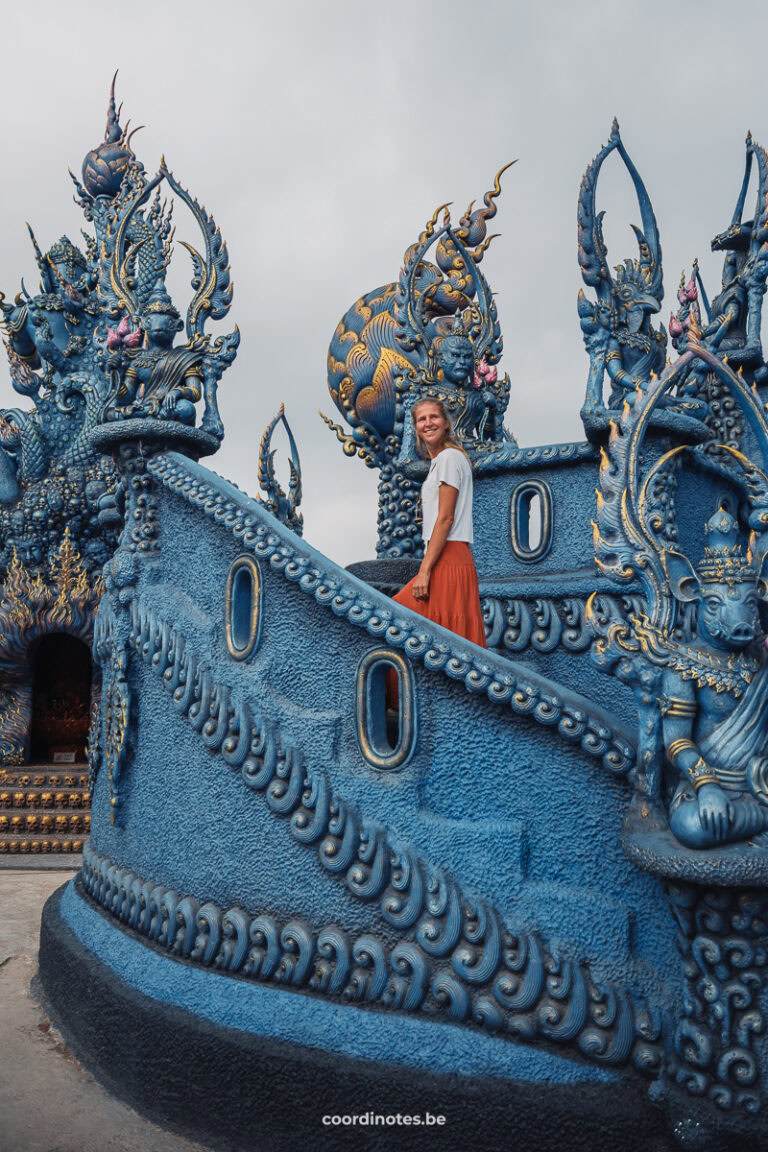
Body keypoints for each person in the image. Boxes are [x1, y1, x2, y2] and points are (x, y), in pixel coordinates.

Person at [393, 399, 486, 648]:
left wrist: (424, 571)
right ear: (415, 427)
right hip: (449, 558)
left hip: (448, 557)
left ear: (446, 423)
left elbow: (445, 518)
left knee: (396, 620)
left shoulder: (448, 459)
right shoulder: (444, 461)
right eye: (421, 419)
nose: (428, 423)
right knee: (441, 640)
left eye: (434, 417)